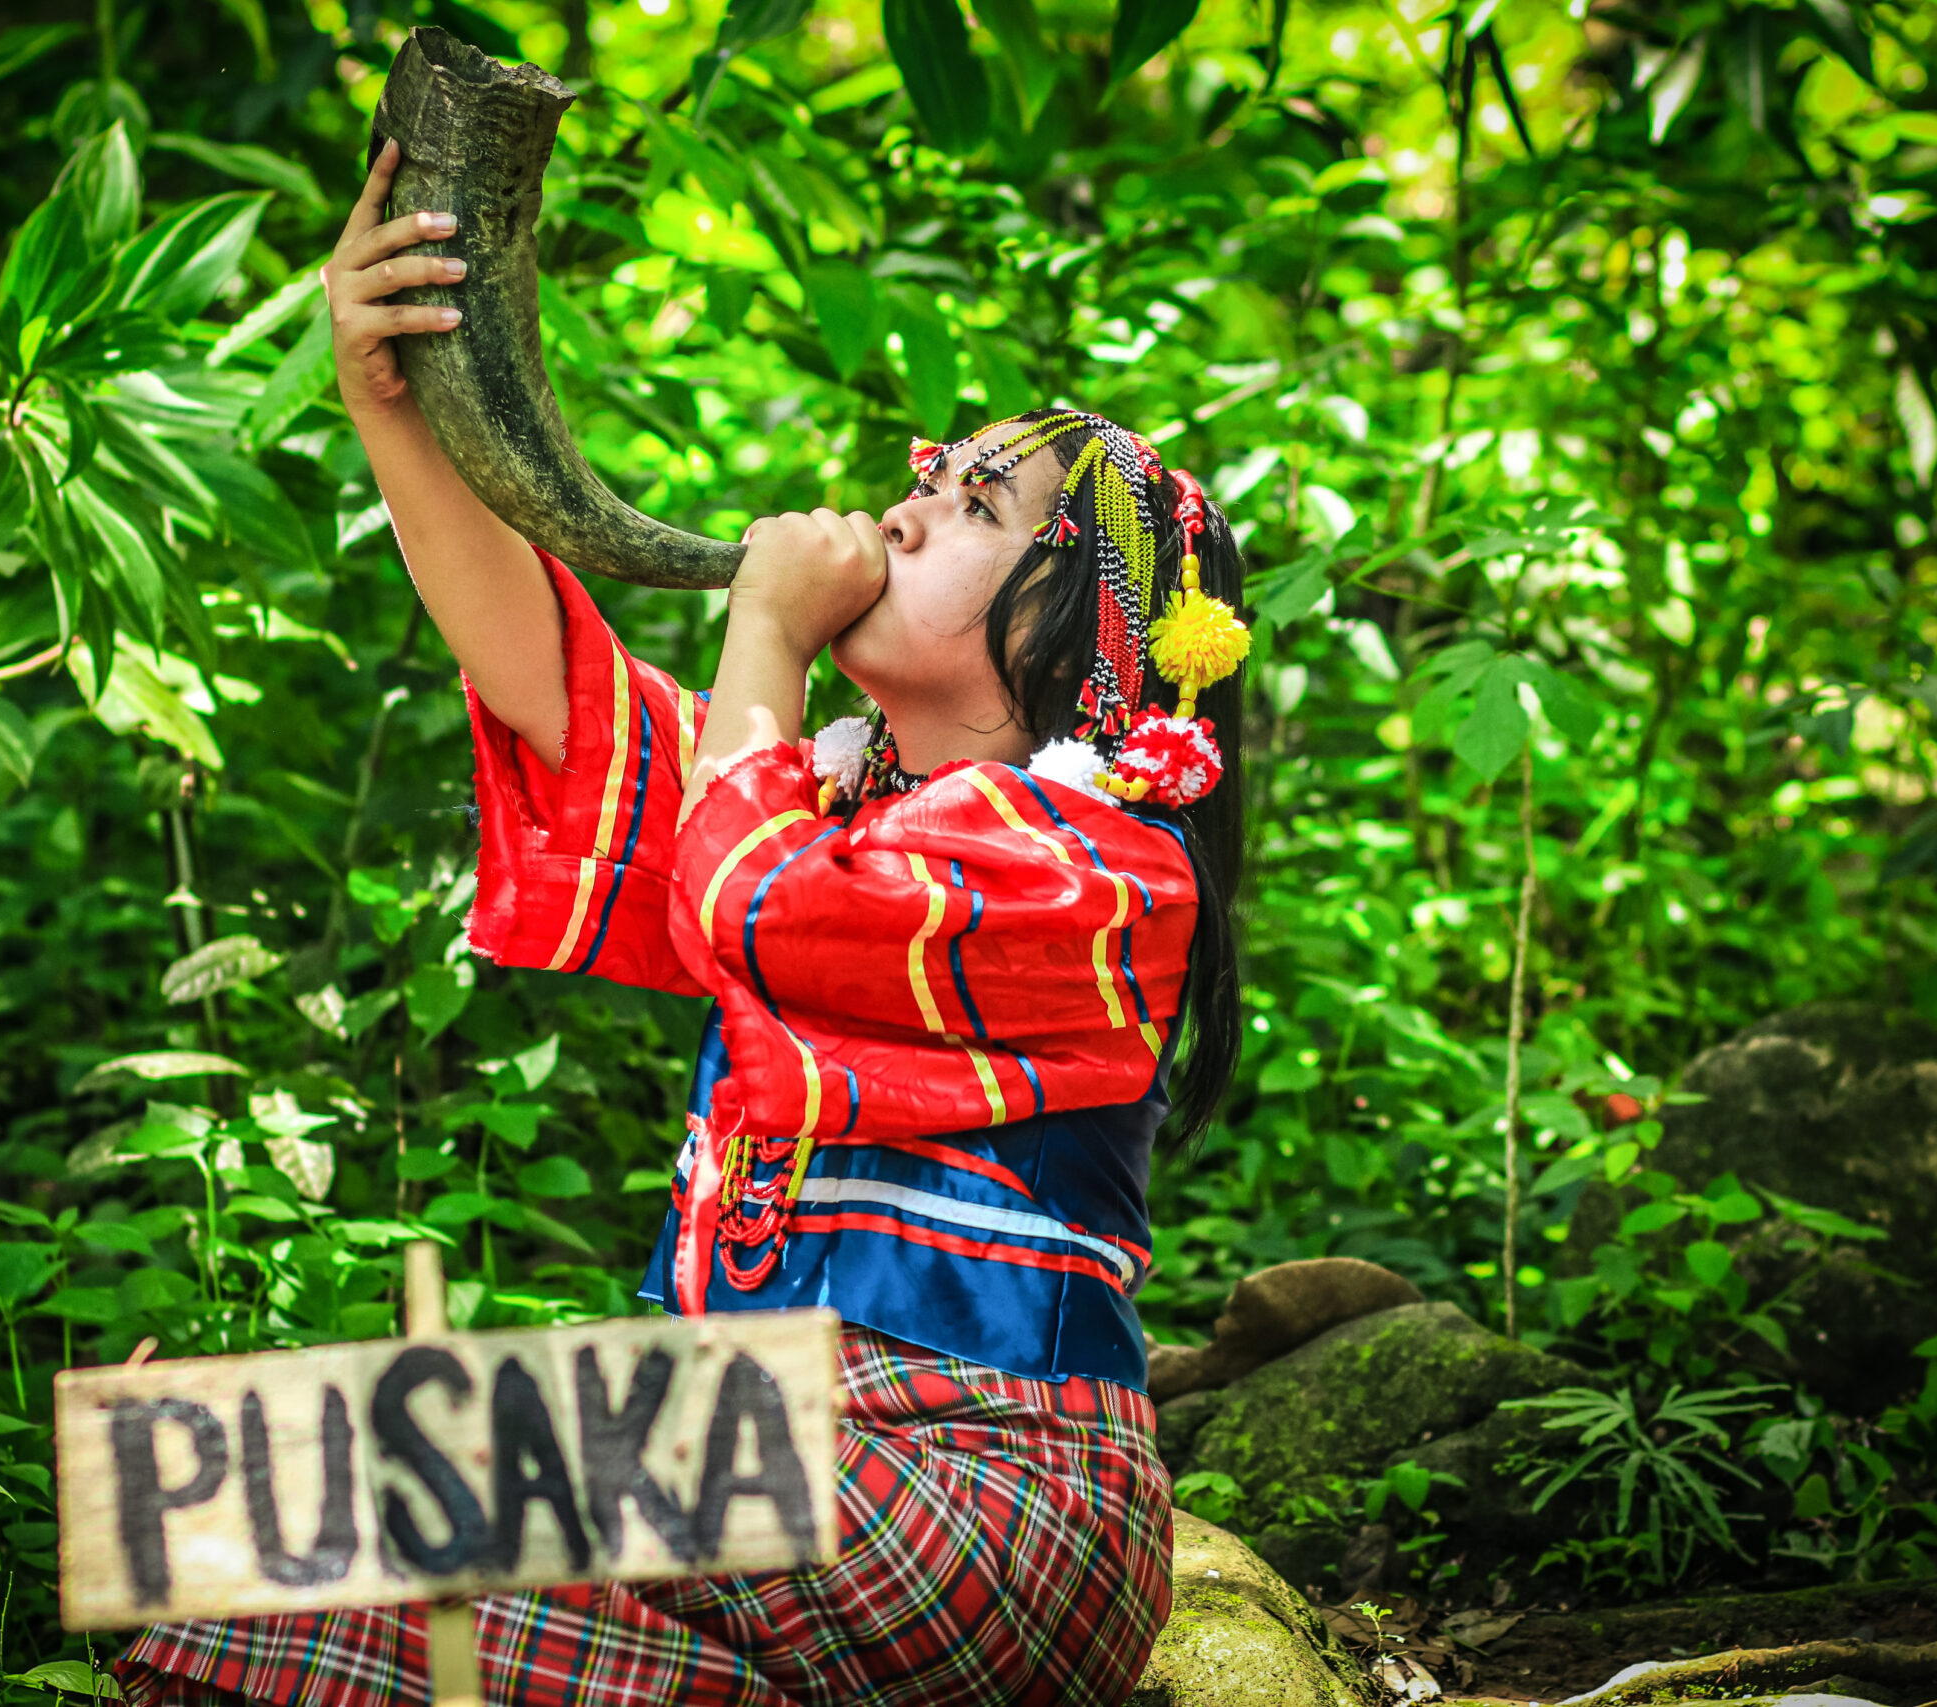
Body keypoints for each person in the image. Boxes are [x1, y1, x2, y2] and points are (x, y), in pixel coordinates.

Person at [120, 139, 1251, 1707]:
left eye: (971, 507)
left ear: (1074, 631)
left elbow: (754, 895)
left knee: (249, 1478)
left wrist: (766, 632)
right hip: (777, 1487)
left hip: (970, 1511)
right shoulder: (827, 799)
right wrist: (397, 409)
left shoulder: (1098, 864)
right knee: (216, 1577)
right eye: (925, 477)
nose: (903, 514)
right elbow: (567, 708)